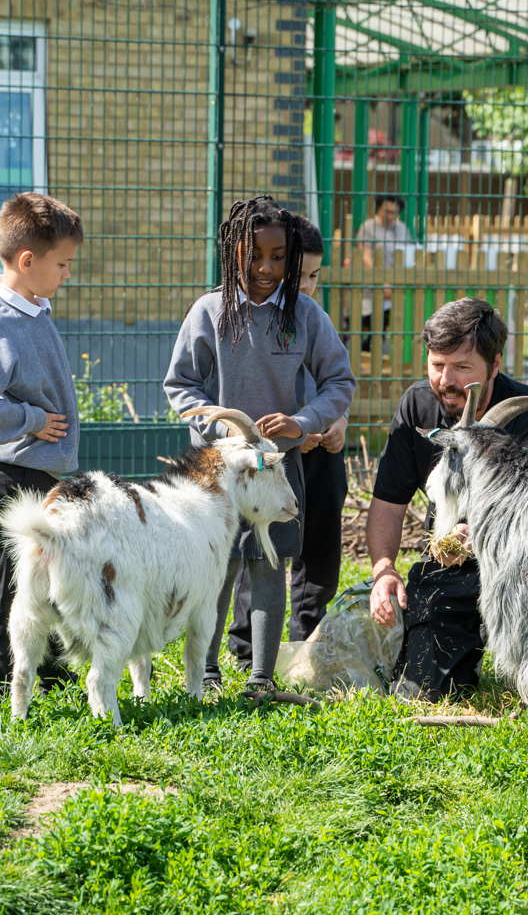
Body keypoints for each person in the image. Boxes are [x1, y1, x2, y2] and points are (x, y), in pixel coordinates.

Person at [165, 196, 356, 693]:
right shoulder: (208, 312)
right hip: (219, 474)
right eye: (254, 256)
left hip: (277, 470)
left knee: (271, 564)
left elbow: (339, 382)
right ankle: (205, 672)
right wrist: (222, 428)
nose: (266, 268)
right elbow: (181, 385)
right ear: (232, 254)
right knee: (219, 568)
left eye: (278, 257)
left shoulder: (307, 315)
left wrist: (301, 422)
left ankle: (261, 680)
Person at [367, 297, 528, 700]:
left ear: (494, 365)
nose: (445, 380)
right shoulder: (417, 406)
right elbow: (388, 501)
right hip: (447, 563)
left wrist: (477, 529)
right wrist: (384, 570)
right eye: (437, 365)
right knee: (420, 691)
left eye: (462, 367)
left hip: (521, 567)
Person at [0, 192, 84, 696]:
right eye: (63, 263)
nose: (67, 273)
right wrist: (29, 419)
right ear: (27, 261)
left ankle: (44, 668)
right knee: (17, 576)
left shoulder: (32, 310)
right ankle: (2, 677)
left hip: (34, 468)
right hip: (8, 470)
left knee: (43, 569)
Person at [228, 218, 348, 665]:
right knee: (260, 546)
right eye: (302, 275)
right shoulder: (242, 318)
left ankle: (308, 640)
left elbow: (337, 382)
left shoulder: (314, 318)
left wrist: (337, 423)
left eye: (316, 276)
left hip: (320, 456)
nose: (308, 284)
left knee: (318, 548)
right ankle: (247, 647)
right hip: (273, 458)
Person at [355, 195, 413, 352]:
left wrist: (392, 284)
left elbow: (406, 255)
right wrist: (382, 283)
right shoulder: (368, 227)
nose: (390, 216)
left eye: (394, 212)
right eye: (386, 211)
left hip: (395, 285)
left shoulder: (402, 229)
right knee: (372, 325)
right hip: (372, 284)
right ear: (378, 210)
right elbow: (365, 256)